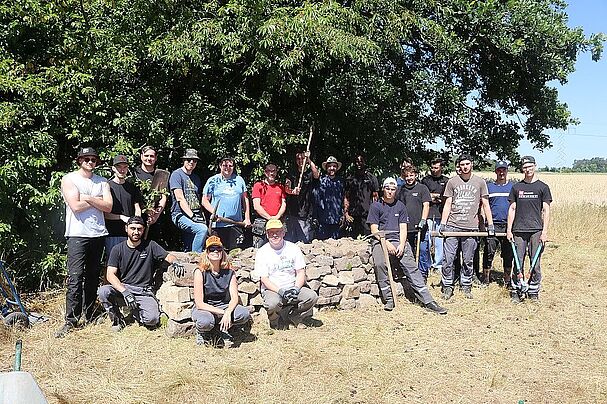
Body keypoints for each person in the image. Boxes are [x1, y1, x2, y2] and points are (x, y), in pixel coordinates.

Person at [56, 147, 113, 338]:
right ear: (79, 160)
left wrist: (87, 197)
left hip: (98, 234)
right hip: (77, 234)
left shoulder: (102, 181)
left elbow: (108, 206)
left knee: (92, 277)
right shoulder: (69, 179)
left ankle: (89, 314)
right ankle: (71, 320)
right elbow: (75, 206)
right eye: (86, 159)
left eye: (93, 159)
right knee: (75, 277)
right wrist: (96, 200)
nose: (90, 162)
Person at [367, 177, 447, 314]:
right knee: (380, 263)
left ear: (396, 191)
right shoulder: (376, 206)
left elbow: (403, 228)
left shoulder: (400, 206)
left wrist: (402, 245)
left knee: (411, 267)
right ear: (383, 189)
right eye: (387, 189)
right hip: (380, 240)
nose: (390, 192)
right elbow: (374, 230)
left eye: (393, 189)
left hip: (398, 239)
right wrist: (386, 244)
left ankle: (428, 300)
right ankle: (388, 298)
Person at [97, 216, 182, 331]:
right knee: (103, 291)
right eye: (133, 228)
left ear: (143, 230)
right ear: (126, 228)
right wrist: (125, 292)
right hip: (124, 288)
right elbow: (110, 274)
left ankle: (135, 310)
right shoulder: (117, 249)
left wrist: (176, 261)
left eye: (139, 229)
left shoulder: (150, 245)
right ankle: (117, 320)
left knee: (152, 320)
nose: (136, 232)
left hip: (144, 291)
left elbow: (168, 256)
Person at [439, 154, 494, 300]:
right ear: (459, 166)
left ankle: (466, 285)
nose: (465, 167)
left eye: (467, 164)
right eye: (462, 164)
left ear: (472, 165)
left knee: (468, 260)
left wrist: (491, 224)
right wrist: (443, 224)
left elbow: (486, 205)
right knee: (448, 259)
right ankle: (448, 286)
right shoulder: (452, 182)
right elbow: (448, 204)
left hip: (471, 228)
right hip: (452, 226)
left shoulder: (480, 182)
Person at [253, 219, 321, 329]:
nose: (274, 235)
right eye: (271, 232)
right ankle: (275, 321)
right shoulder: (262, 252)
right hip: (272, 289)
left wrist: (296, 288)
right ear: (266, 234)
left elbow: (300, 272)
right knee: (272, 304)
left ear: (283, 232)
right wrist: (280, 291)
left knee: (312, 297)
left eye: (278, 232)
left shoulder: (293, 248)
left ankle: (295, 316)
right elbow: (264, 279)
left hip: (292, 286)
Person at [191, 236, 252, 346]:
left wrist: (228, 311)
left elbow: (234, 298)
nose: (215, 251)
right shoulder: (200, 272)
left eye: (218, 249)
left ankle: (223, 329)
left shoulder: (230, 272)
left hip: (224, 305)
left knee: (244, 314)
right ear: (207, 253)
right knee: (205, 322)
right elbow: (199, 304)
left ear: (222, 252)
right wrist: (224, 313)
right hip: (206, 308)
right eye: (212, 249)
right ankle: (203, 332)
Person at [506, 156, 552, 303]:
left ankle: (533, 292)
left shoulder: (543, 187)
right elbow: (512, 208)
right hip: (518, 230)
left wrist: (544, 232)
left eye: (530, 166)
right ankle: (516, 291)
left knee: (535, 262)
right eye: (525, 167)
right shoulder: (516, 187)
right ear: (522, 169)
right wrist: (509, 229)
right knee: (518, 261)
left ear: (535, 166)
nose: (528, 169)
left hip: (536, 230)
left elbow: (546, 210)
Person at [201, 157, 251, 251]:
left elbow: (245, 199)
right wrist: (214, 213)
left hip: (236, 225)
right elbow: (204, 200)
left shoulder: (239, 180)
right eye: (224, 165)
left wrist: (247, 218)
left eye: (230, 166)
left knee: (236, 254)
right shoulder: (213, 180)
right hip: (218, 225)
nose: (227, 168)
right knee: (217, 253)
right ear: (220, 166)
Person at [396, 166, 432, 280]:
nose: (409, 178)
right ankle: (410, 274)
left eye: (411, 175)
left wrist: (423, 220)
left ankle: (423, 275)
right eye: (406, 176)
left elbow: (426, 205)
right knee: (409, 252)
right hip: (406, 226)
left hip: (421, 227)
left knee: (422, 250)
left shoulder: (422, 188)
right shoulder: (401, 190)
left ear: (415, 175)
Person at [169, 148, 208, 252]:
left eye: (194, 160)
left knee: (190, 244)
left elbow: (197, 199)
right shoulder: (176, 175)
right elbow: (180, 198)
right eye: (189, 159)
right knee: (201, 230)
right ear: (183, 160)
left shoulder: (196, 178)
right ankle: (197, 257)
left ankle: (191, 261)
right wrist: (192, 216)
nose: (191, 162)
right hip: (180, 214)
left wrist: (200, 216)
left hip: (196, 214)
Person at [482, 160, 514, 286]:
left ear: (507, 171)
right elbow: (484, 206)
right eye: (499, 170)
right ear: (495, 171)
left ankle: (507, 278)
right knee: (489, 251)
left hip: (508, 225)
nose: (501, 172)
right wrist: (485, 223)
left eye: (504, 170)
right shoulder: (489, 187)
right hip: (493, 224)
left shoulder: (513, 187)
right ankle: (486, 278)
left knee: (508, 253)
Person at [104, 155, 143, 255]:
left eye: (125, 167)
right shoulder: (106, 186)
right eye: (119, 167)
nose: (122, 170)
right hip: (112, 234)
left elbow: (137, 208)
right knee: (113, 265)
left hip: (131, 235)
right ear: (113, 168)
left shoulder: (132, 187)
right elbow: (104, 213)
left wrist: (136, 222)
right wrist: (121, 217)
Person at [133, 145, 168, 241]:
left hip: (154, 218)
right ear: (141, 156)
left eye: (152, 156)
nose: (149, 158)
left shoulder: (161, 175)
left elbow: (163, 196)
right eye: (146, 155)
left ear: (156, 158)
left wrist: (156, 215)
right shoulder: (134, 173)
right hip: (137, 216)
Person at [284, 151, 320, 243]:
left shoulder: (309, 173)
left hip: (305, 213)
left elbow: (317, 174)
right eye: (298, 159)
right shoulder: (291, 173)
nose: (300, 161)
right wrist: (292, 191)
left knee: (305, 242)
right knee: (290, 242)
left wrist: (309, 160)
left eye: (302, 159)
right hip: (291, 212)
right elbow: (286, 188)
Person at [421, 158, 449, 272]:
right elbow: (425, 196)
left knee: (439, 241)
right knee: (427, 240)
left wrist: (436, 197)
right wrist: (435, 197)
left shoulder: (446, 180)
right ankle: (427, 263)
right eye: (432, 168)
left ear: (441, 168)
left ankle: (438, 265)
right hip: (428, 213)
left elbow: (446, 198)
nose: (434, 170)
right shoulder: (425, 180)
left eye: (436, 168)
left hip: (441, 213)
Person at [251, 163, 287, 248]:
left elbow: (283, 203)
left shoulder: (280, 187)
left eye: (274, 171)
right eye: (269, 171)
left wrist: (277, 216)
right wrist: (269, 218)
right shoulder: (258, 185)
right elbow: (256, 205)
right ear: (265, 172)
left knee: (280, 248)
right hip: (261, 222)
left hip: (278, 221)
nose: (271, 173)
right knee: (259, 249)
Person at [344, 154, 379, 238]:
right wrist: (346, 213)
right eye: (356, 161)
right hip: (353, 216)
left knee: (368, 240)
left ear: (364, 162)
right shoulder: (350, 178)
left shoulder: (371, 178)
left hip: (367, 215)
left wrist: (375, 214)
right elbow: (346, 197)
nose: (358, 164)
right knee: (352, 242)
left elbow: (375, 197)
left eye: (360, 161)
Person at [315, 156, 345, 240]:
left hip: (336, 219)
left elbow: (344, 198)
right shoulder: (321, 180)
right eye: (329, 166)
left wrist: (343, 214)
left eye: (334, 166)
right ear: (326, 168)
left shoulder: (341, 181)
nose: (332, 168)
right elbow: (316, 199)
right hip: (322, 219)